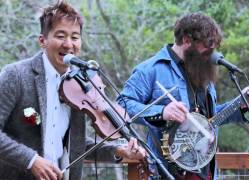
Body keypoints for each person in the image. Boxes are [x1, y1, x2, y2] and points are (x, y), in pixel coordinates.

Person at [0, 1, 145, 180]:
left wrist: (117, 151)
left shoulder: (81, 85)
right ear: (42, 41)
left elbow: (77, 146)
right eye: (61, 36)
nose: (68, 44)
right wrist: (31, 160)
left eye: (75, 37)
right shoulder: (15, 75)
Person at [118, 12, 249, 179]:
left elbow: (208, 121)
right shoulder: (150, 70)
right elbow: (121, 106)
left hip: (206, 171)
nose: (211, 53)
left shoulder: (202, 70)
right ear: (187, 40)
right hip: (166, 172)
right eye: (207, 46)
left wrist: (240, 105)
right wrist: (162, 111)